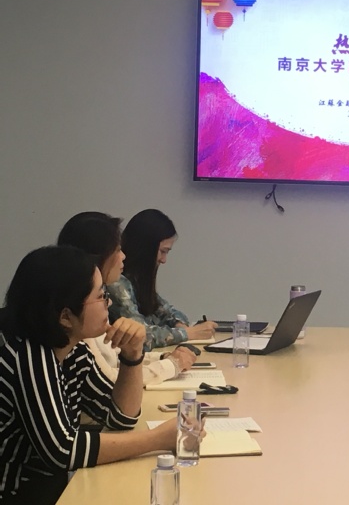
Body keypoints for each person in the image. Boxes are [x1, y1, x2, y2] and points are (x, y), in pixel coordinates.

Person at [0, 246, 178, 504]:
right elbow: (62, 450)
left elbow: (120, 418)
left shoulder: (74, 352)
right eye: (101, 295)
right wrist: (157, 439)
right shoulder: (27, 356)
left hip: (47, 489)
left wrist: (132, 355)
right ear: (65, 316)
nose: (109, 303)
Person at [57, 212, 197, 384]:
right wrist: (172, 365)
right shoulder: (83, 310)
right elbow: (108, 380)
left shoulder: (104, 294)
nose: (123, 256)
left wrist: (162, 357)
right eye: (117, 250)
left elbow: (115, 355)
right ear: (98, 256)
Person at [108, 209, 216, 350]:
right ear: (145, 248)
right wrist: (188, 333)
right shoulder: (116, 282)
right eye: (162, 251)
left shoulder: (136, 279)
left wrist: (179, 324)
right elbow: (140, 335)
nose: (164, 260)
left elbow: (168, 312)